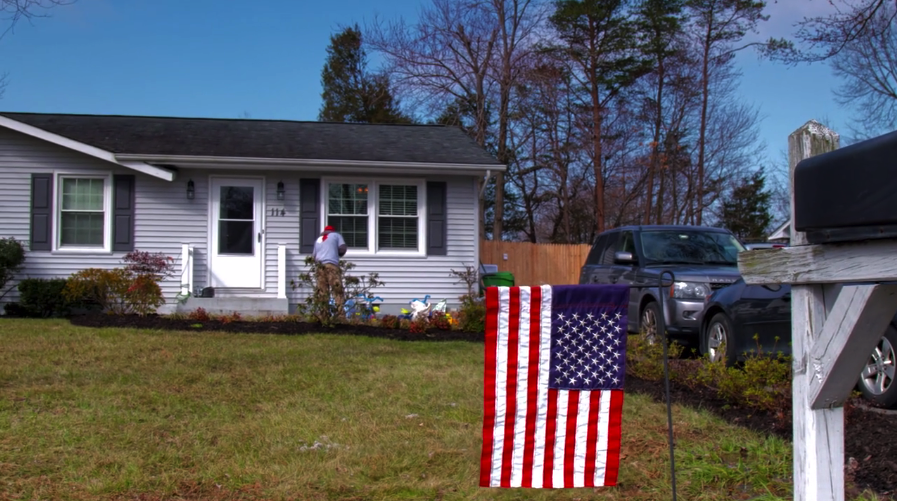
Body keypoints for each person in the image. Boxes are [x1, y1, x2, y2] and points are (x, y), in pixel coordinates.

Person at [312, 225, 348, 316]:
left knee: (322, 291)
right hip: (332, 265)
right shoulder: (336, 235)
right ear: (332, 231)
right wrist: (335, 252)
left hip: (320, 267)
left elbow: (314, 256)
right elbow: (342, 249)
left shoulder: (318, 240)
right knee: (337, 290)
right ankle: (340, 314)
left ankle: (324, 314)